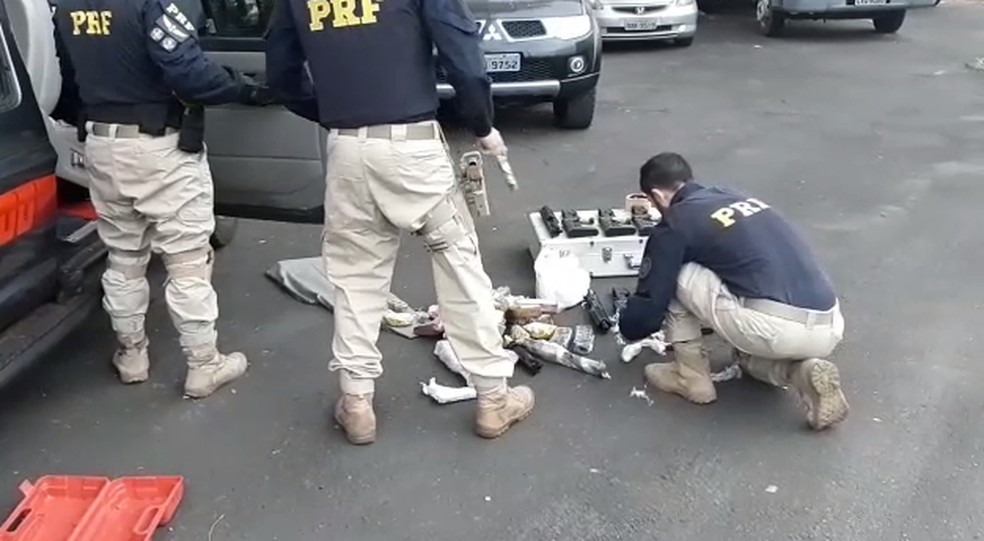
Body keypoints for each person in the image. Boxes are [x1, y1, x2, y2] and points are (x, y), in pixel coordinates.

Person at [263, 0, 533, 444]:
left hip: (346, 148)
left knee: (355, 277)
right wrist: (483, 124)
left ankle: (356, 404)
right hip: (412, 148)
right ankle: (492, 400)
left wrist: (334, 113)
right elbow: (461, 51)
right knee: (459, 265)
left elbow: (282, 75)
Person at [52, 0, 271, 397]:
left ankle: (132, 355)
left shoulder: (66, 7)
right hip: (158, 147)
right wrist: (246, 89)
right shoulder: (150, 3)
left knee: (123, 257)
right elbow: (190, 74)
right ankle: (204, 365)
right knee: (187, 261)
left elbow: (66, 84)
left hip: (101, 145)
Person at [618, 152, 849, 430]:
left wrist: (628, 319)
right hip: (829, 326)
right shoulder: (734, 195)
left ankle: (691, 378)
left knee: (676, 271)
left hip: (774, 328)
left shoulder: (677, 221)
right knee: (747, 359)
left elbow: (646, 316)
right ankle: (804, 373)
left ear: (657, 195)